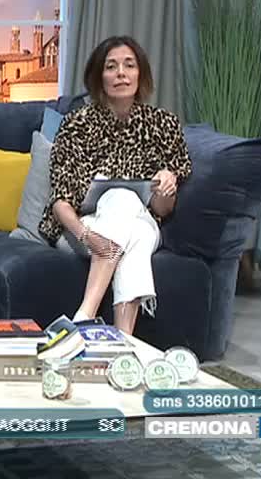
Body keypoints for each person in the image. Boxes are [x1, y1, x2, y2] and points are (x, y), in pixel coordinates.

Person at [38, 36, 192, 334]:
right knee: (130, 220)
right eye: (111, 67)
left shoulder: (163, 125)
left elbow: (162, 210)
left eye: (129, 65)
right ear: (99, 77)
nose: (121, 73)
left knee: (129, 208)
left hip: (141, 219)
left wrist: (166, 186)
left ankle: (84, 318)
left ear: (140, 74)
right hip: (81, 226)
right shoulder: (77, 124)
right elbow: (60, 202)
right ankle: (122, 342)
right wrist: (89, 237)